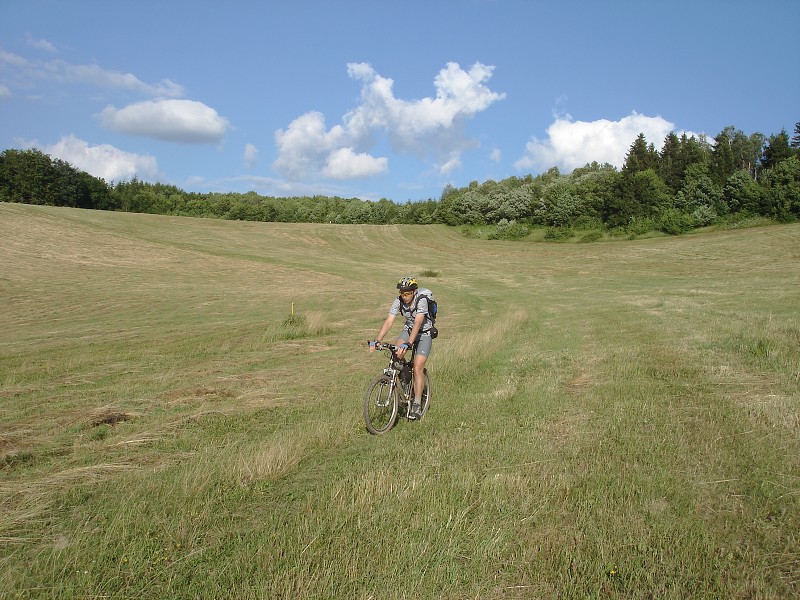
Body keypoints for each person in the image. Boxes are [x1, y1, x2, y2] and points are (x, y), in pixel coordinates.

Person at [369, 277, 434, 419]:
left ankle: (417, 403)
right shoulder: (398, 301)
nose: (404, 297)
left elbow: (418, 323)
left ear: (414, 292)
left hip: (424, 334)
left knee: (417, 367)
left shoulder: (421, 300)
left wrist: (409, 343)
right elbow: (389, 321)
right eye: (402, 293)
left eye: (407, 294)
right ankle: (405, 375)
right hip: (409, 330)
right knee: (396, 353)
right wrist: (377, 340)